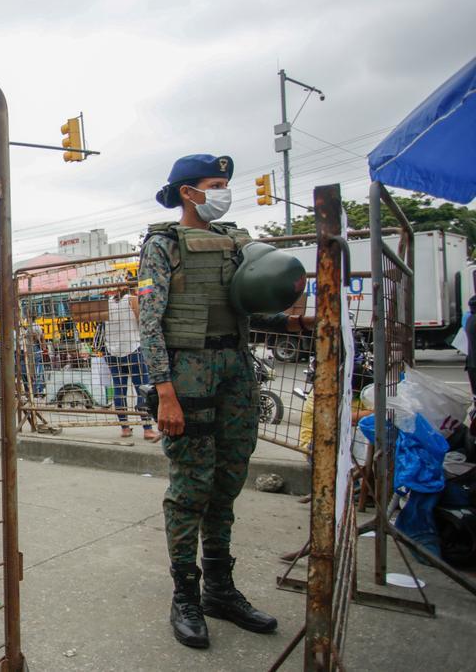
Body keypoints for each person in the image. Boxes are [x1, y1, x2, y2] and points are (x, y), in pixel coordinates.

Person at [139, 154, 314, 649]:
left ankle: (220, 589)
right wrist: (165, 393)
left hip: (236, 370)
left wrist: (297, 322)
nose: (224, 191)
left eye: (225, 184)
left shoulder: (238, 243)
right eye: (215, 184)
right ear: (188, 192)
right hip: (187, 375)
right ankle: (186, 596)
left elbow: (249, 309)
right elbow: (150, 325)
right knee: (191, 487)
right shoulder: (162, 246)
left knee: (228, 481)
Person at [104, 286, 159, 440]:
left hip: (112, 351)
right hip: (133, 349)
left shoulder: (106, 303)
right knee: (142, 388)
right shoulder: (133, 300)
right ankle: (147, 429)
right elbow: (142, 322)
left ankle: (125, 428)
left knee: (119, 389)